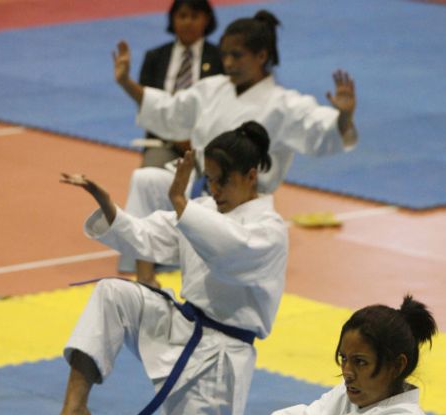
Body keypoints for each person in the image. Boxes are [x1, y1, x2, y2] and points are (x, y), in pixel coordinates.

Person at [40, 122, 289, 415]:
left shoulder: (268, 229)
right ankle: (75, 407)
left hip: (217, 361)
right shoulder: (201, 208)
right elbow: (145, 238)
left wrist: (181, 206)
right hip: (182, 326)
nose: (214, 190)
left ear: (251, 176)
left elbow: (227, 254)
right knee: (113, 293)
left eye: (223, 181)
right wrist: (107, 204)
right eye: (211, 180)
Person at [112, 9, 358, 286]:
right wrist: (126, 84)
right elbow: (169, 112)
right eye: (225, 54)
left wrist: (344, 117)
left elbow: (321, 132)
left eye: (237, 55)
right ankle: (146, 279)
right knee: (146, 180)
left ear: (262, 56)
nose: (228, 62)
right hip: (201, 185)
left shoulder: (284, 104)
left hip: (244, 202)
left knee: (209, 278)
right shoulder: (212, 89)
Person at [132, 295, 441, 415]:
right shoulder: (355, 395)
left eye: (360, 362)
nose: (347, 372)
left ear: (397, 365)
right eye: (343, 359)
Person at [138, 0, 224, 168]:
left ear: (206, 19)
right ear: (172, 19)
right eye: (182, 16)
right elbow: (147, 105)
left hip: (209, 144)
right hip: (164, 142)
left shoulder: (220, 58)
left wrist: (196, 140)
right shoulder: (155, 57)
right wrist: (176, 138)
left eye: (194, 16)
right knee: (147, 176)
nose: (188, 22)